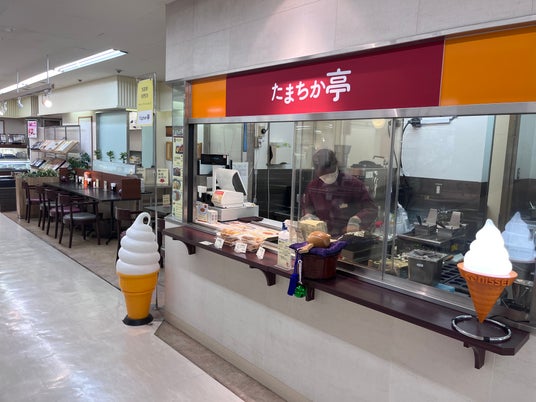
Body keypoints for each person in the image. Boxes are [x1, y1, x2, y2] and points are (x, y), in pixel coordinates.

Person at [301, 148, 377, 236]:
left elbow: (371, 209)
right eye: (324, 177)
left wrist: (357, 219)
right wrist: (308, 216)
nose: (328, 178)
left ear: (336, 166)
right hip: (322, 235)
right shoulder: (313, 186)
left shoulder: (354, 184)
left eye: (331, 174)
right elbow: (307, 207)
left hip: (347, 235)